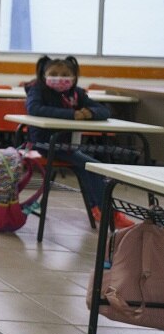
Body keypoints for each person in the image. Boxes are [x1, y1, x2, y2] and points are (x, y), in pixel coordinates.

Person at [24, 55, 134, 229]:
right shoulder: (37, 90)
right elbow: (34, 108)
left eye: (65, 74)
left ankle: (97, 208)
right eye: (54, 73)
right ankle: (108, 212)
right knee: (93, 166)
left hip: (68, 146)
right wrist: (71, 114)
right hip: (44, 144)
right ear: (44, 75)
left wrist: (89, 112)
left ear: (74, 77)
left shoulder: (76, 93)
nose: (59, 78)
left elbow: (104, 110)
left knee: (88, 168)